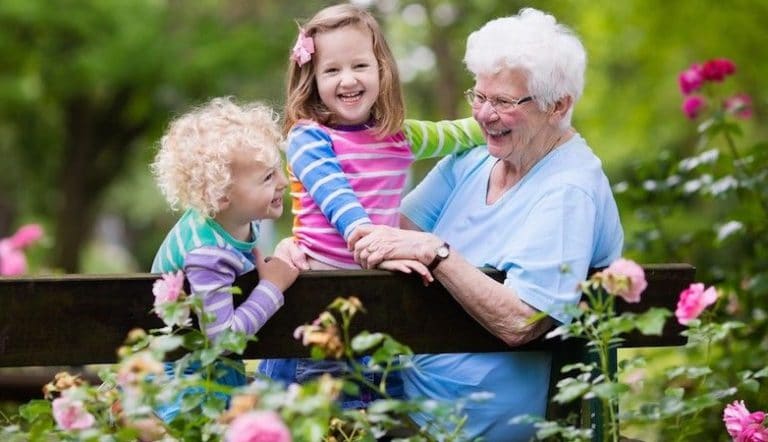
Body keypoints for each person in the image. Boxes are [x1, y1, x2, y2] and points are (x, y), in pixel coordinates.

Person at [340, 8, 625, 440]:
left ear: (558, 105)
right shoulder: (475, 158)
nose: (484, 115)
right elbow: (385, 233)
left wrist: (436, 254)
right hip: (403, 389)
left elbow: (524, 320)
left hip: (467, 419)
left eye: (504, 102)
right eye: (480, 96)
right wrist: (307, 244)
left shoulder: (568, 191)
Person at [259, 3, 484, 409]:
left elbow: (459, 134)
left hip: (376, 315)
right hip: (317, 316)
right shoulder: (308, 139)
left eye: (360, 65)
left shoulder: (398, 137)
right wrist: (378, 247)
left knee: (377, 422)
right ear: (312, 78)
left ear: (382, 69)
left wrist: (498, 119)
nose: (348, 79)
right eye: (332, 70)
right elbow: (341, 205)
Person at [150, 96, 299, 422]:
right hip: (187, 386)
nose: (284, 183)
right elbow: (222, 340)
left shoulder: (238, 218)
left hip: (207, 373)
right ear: (220, 195)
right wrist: (272, 287)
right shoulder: (207, 252)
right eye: (267, 178)